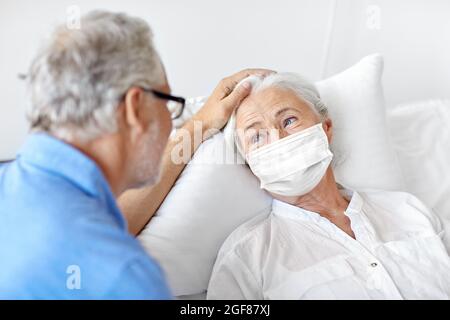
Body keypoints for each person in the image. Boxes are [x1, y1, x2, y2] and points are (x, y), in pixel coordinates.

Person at [0, 10, 270, 299]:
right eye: (168, 101)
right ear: (134, 107)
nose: (170, 120)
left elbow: (105, 223)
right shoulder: (127, 278)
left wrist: (199, 125)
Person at [206, 72, 450, 299]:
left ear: (326, 128)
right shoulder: (247, 256)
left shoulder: (408, 210)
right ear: (250, 165)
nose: (278, 139)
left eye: (289, 120)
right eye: (257, 136)